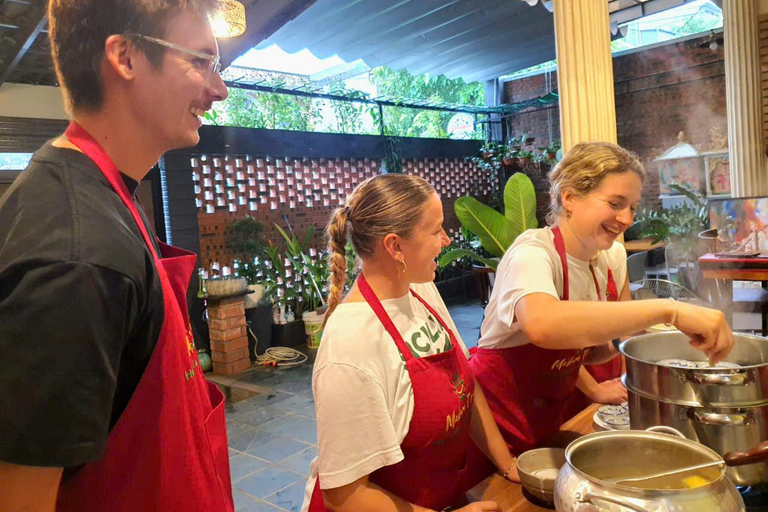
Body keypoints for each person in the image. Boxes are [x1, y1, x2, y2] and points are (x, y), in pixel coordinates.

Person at [0, 1, 230, 511]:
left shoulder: (109, 197)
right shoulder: (76, 258)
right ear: (124, 57)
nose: (219, 89)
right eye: (201, 62)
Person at [469, 142, 734, 456]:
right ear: (569, 197)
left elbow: (603, 344)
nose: (626, 218)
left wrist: (676, 344)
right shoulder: (533, 253)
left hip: (554, 414)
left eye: (632, 207)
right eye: (615, 203)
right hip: (502, 428)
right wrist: (670, 311)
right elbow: (542, 326)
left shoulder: (610, 257)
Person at [300, 174, 518, 512]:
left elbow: (466, 387)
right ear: (395, 246)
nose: (446, 239)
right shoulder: (351, 343)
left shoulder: (420, 289)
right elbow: (345, 496)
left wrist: (508, 466)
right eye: (435, 230)